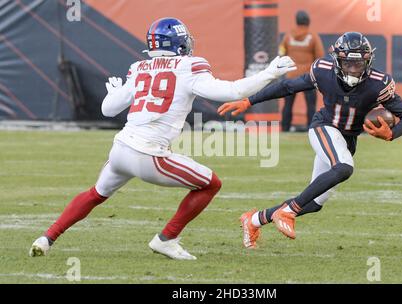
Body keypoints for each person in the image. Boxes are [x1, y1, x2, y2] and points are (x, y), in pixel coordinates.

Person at [29, 17, 296, 259]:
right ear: (179, 43)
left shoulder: (139, 67)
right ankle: (166, 239)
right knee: (211, 184)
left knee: (95, 194)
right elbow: (233, 90)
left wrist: (116, 92)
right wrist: (270, 72)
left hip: (121, 149)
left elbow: (108, 109)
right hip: (148, 154)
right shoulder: (189, 66)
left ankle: (46, 238)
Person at [218, 32, 402, 248]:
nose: (353, 69)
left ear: (368, 61)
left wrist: (392, 134)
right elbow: (287, 87)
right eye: (348, 63)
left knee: (313, 202)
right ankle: (287, 212)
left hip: (347, 140)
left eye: (358, 63)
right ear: (337, 60)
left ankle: (254, 220)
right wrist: (249, 101)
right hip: (325, 127)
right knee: (343, 168)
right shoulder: (323, 71)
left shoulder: (378, 84)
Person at [279, 10, 324, 132]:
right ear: (308, 21)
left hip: (291, 76)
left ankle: (285, 129)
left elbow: (281, 53)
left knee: (287, 105)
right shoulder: (313, 37)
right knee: (311, 105)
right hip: (307, 77)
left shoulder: (288, 36)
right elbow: (320, 57)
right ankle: (311, 129)